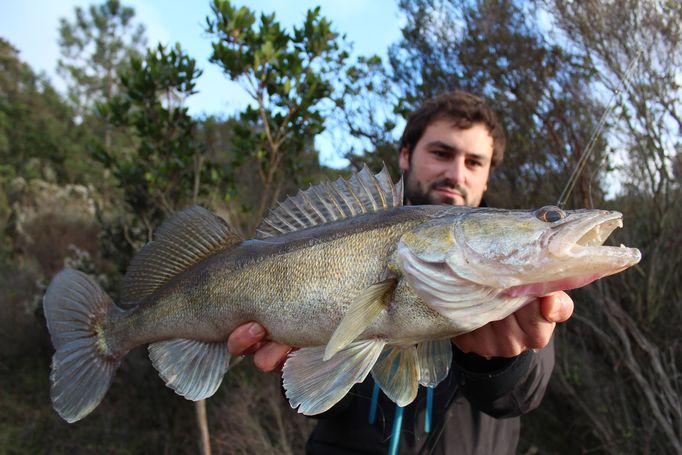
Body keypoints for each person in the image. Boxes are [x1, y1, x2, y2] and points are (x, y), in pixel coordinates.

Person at [227, 90, 574, 454]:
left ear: (487, 177)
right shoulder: (346, 225)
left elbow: (518, 397)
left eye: (474, 162)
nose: (455, 173)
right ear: (406, 154)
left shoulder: (514, 265)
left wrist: (501, 362)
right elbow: (318, 398)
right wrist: (297, 355)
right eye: (441, 153)